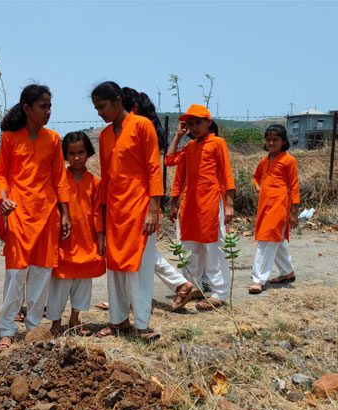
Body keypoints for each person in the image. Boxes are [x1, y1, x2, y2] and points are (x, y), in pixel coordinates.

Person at [0, 84, 71, 350]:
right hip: (18, 214)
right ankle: (6, 328)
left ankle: (34, 328)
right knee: (16, 275)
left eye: (50, 106)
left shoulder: (54, 139)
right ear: (27, 108)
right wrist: (3, 197)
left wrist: (65, 214)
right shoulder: (10, 137)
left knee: (41, 274)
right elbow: (1, 173)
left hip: (47, 214)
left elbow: (60, 179)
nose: (48, 111)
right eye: (43, 106)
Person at [91, 81, 163, 341]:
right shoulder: (105, 136)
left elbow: (154, 168)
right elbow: (107, 176)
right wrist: (103, 211)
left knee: (140, 269)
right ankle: (118, 320)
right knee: (116, 268)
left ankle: (142, 324)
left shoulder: (143, 126)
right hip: (116, 210)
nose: (99, 113)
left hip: (141, 207)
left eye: (102, 107)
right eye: (96, 109)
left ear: (118, 101)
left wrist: (153, 209)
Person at [121, 87, 199, 310]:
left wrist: (153, 209)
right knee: (143, 250)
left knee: (140, 251)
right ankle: (178, 285)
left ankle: (176, 286)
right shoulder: (140, 131)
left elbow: (154, 172)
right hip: (139, 202)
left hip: (139, 202)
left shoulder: (140, 132)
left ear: (132, 108)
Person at [165, 104, 235, 310]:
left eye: (198, 123)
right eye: (190, 124)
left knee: (213, 248)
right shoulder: (189, 147)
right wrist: (178, 136)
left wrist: (229, 205)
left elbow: (226, 174)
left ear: (208, 122)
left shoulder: (217, 143)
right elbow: (169, 161)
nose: (194, 127)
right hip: (189, 205)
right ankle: (193, 287)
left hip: (211, 202)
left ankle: (219, 292)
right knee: (189, 247)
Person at [47, 131, 105, 336]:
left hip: (87, 239)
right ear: (65, 155)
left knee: (83, 281)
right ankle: (55, 322)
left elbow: (98, 212)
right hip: (64, 240)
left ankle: (75, 319)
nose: (77, 157)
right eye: (72, 153)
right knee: (59, 284)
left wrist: (100, 239)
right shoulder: (59, 179)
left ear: (88, 153)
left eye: (81, 152)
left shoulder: (95, 182)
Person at [249, 125, 299, 294]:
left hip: (280, 206)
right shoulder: (264, 161)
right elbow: (255, 178)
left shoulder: (288, 160)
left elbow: (293, 187)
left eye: (275, 140)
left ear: (283, 141)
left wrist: (293, 213)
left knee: (267, 240)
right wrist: (258, 187)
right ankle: (287, 272)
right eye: (268, 139)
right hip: (264, 206)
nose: (271, 142)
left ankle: (258, 279)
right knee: (276, 241)